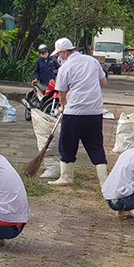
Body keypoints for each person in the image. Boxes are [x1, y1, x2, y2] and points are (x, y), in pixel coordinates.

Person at [48, 37, 108, 188]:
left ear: (63, 52)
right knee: (95, 146)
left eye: (59, 54)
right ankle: (104, 182)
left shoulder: (65, 68)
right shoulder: (92, 61)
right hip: (94, 112)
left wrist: (63, 106)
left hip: (74, 112)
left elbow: (61, 92)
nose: (59, 57)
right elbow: (103, 83)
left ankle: (66, 177)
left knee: (67, 144)